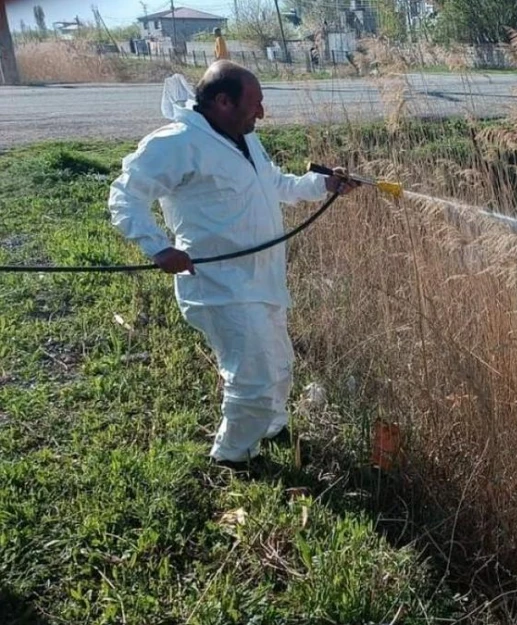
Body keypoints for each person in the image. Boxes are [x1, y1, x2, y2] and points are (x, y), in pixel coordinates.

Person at [107, 61, 358, 466]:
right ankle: (233, 455)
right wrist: (157, 247)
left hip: (263, 279)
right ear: (223, 101)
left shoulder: (242, 138)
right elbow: (125, 196)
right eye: (255, 103)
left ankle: (272, 427)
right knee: (254, 379)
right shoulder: (177, 143)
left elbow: (275, 184)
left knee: (279, 365)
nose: (261, 113)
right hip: (219, 286)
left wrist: (322, 184)